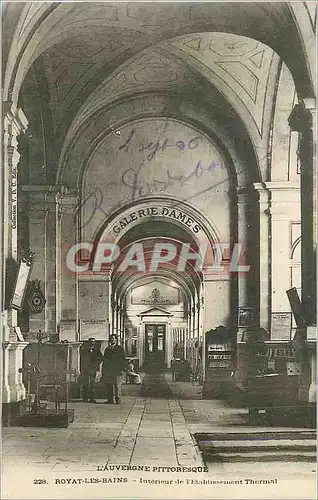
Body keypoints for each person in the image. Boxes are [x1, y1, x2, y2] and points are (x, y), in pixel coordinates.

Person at [102, 334, 126, 404]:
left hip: (117, 369)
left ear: (116, 339)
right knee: (109, 384)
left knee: (117, 385)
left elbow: (123, 359)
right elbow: (105, 360)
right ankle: (110, 399)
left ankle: (117, 399)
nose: (112, 339)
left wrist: (122, 369)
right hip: (109, 369)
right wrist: (104, 370)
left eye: (113, 338)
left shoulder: (120, 349)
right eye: (111, 338)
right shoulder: (107, 349)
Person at [80, 337, 103, 403]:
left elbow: (101, 358)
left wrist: (96, 364)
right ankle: (85, 398)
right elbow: (82, 359)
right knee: (86, 384)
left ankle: (92, 398)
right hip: (85, 369)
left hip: (93, 369)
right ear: (88, 342)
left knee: (92, 384)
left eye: (93, 342)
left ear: (94, 343)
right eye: (91, 342)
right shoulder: (84, 350)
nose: (92, 343)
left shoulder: (97, 350)